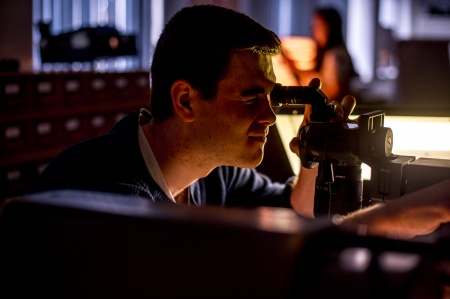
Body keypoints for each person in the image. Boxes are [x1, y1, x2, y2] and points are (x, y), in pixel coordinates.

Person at [29, 5, 450, 240]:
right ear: (185, 100)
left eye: (269, 97)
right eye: (251, 98)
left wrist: (315, 148)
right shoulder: (105, 196)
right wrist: (384, 220)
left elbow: (296, 210)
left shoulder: (212, 176)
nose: (268, 116)